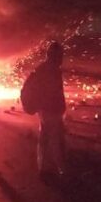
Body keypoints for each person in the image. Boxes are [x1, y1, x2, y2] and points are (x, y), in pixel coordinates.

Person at [21, 41, 67, 180]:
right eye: (61, 55)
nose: (62, 58)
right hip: (51, 109)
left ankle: (44, 168)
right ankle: (60, 168)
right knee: (55, 139)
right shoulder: (51, 70)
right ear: (56, 56)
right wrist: (59, 107)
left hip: (46, 109)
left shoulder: (44, 68)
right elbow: (54, 92)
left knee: (45, 138)